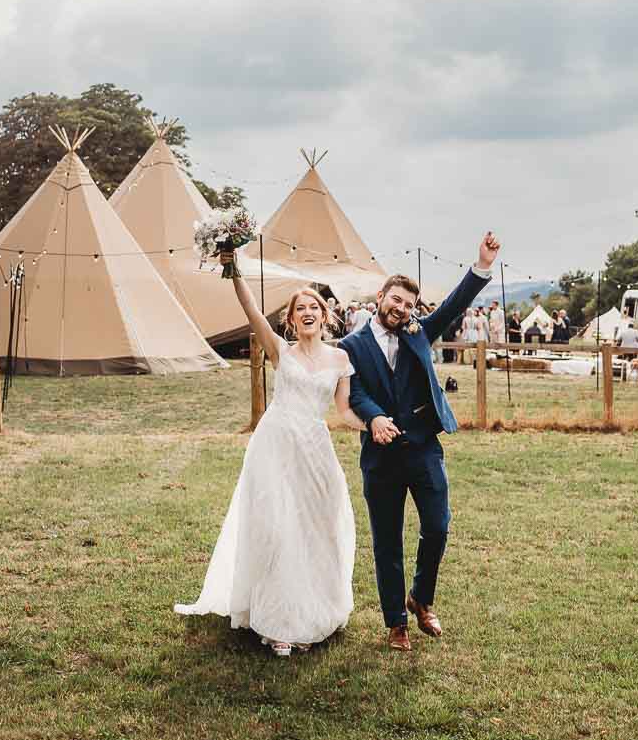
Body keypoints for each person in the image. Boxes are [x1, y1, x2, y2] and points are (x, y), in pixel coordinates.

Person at [175, 255, 364, 657]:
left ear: (325, 315)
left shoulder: (341, 360)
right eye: (300, 309)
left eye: (314, 307)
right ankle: (279, 622)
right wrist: (234, 268)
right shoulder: (281, 351)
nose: (307, 312)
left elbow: (345, 411)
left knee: (317, 528)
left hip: (315, 451)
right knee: (278, 528)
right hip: (275, 446)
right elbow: (250, 309)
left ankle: (316, 610)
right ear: (291, 320)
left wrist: (374, 425)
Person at [340, 231, 501, 651]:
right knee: (387, 539)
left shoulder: (418, 331)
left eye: (409, 305)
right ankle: (396, 622)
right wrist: (373, 417)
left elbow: (453, 307)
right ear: (381, 297)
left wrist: (481, 265)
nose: (402, 308)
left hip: (425, 449)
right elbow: (353, 392)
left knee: (437, 526)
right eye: (396, 300)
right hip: (380, 457)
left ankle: (421, 598)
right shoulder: (350, 345)